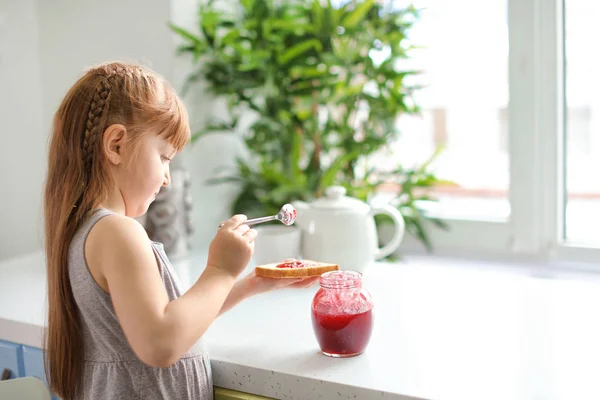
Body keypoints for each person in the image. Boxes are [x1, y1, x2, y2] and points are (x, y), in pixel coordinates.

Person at [43, 61, 317, 400]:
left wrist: (247, 284)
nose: (167, 177)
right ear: (116, 145)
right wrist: (219, 270)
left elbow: (170, 319)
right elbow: (162, 343)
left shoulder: (85, 230)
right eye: (163, 157)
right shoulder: (118, 233)